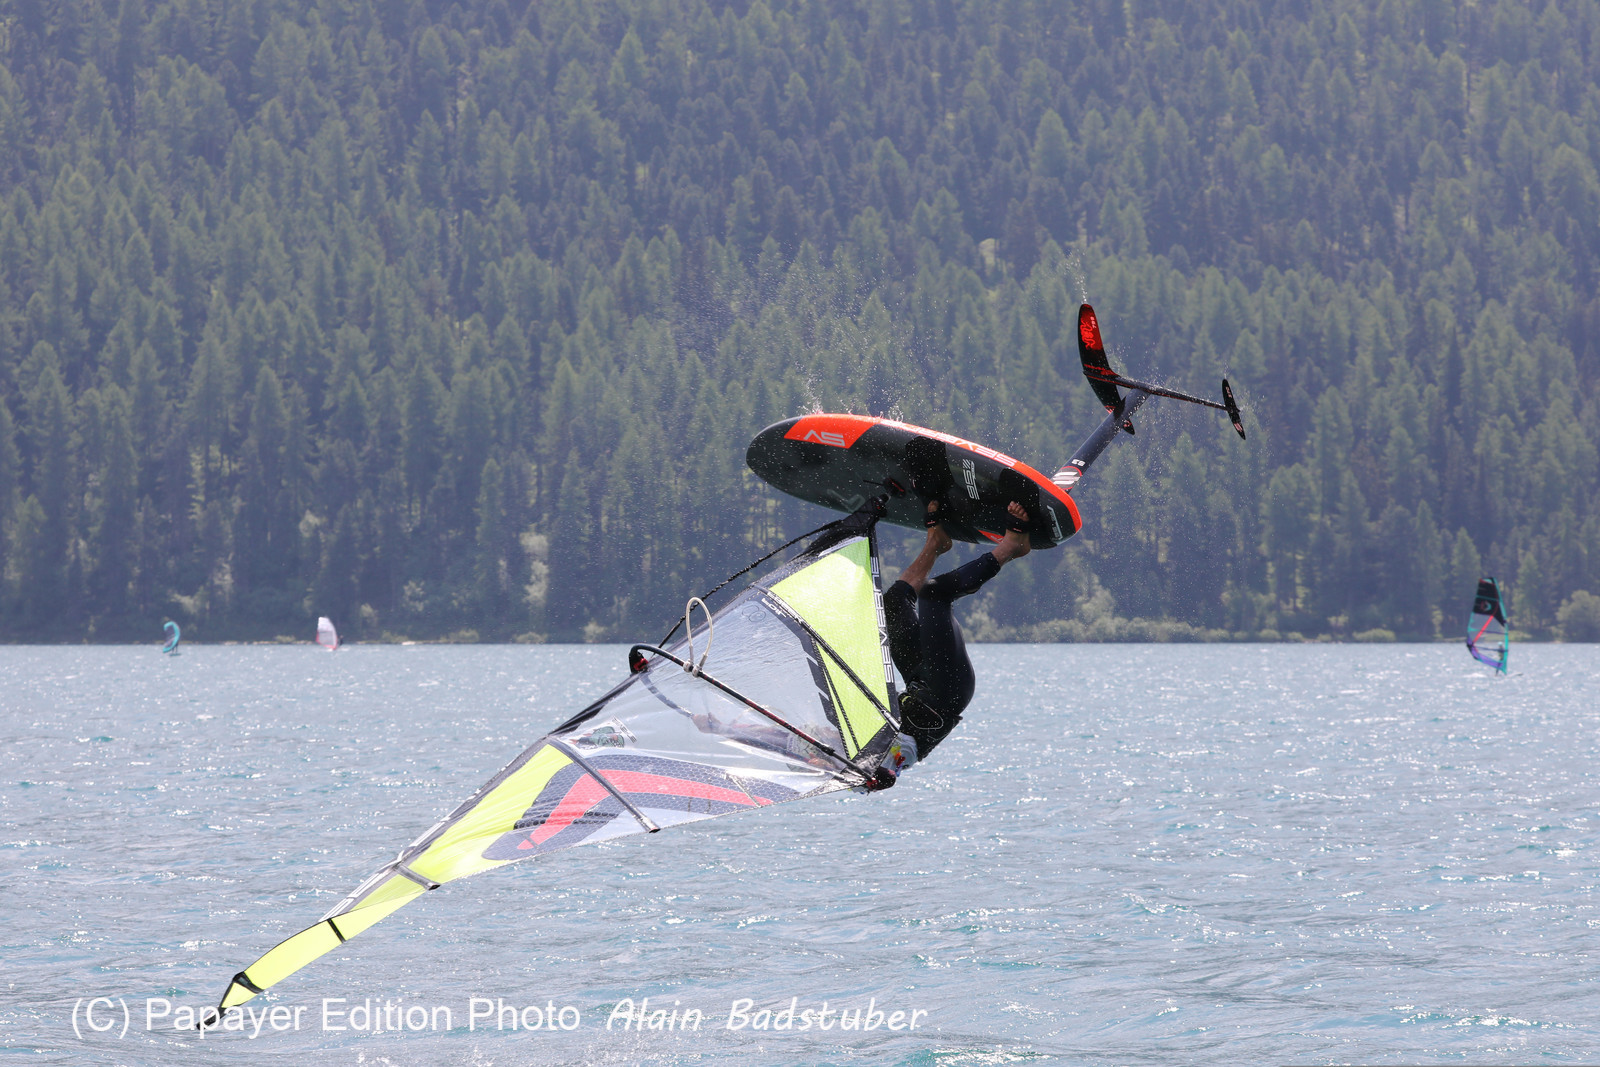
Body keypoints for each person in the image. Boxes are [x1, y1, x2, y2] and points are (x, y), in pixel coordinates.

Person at [877, 500, 1032, 781]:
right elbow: (902, 759)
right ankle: (1012, 546)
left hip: (917, 681)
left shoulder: (825, 739)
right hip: (945, 693)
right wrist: (881, 775)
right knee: (934, 594)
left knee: (892, 604)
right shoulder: (865, 768)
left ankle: (936, 542)